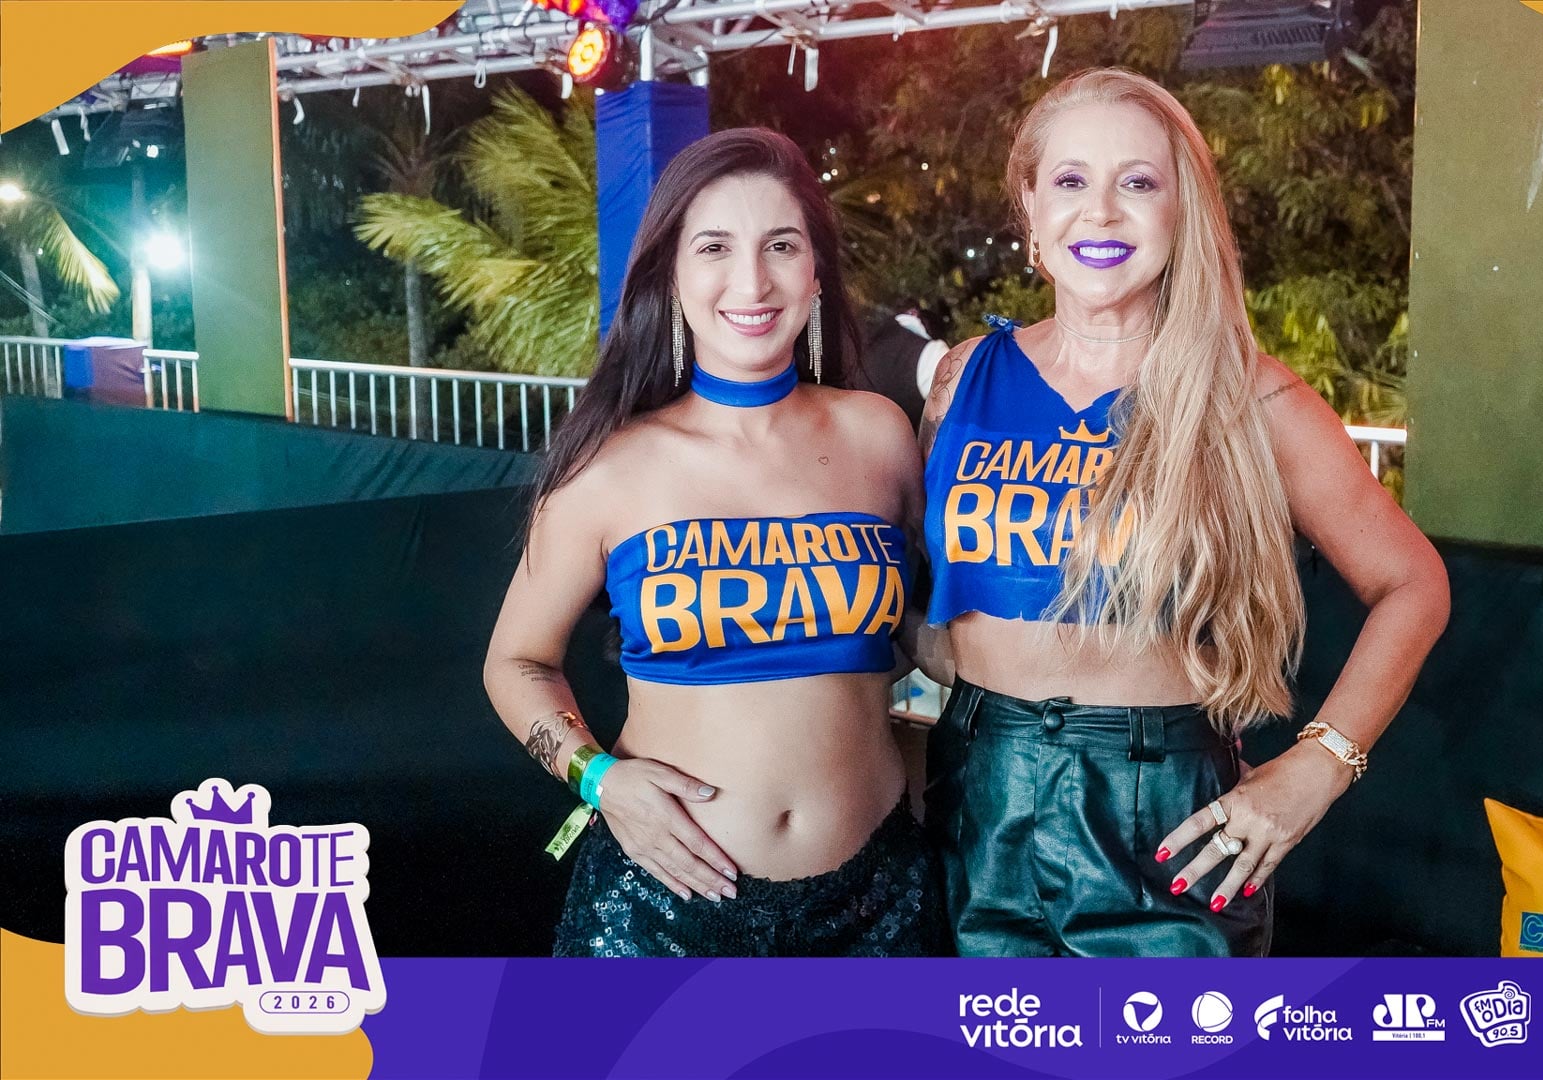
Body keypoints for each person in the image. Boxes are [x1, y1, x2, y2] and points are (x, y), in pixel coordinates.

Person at [917, 69, 1450, 957]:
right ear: (1031, 206)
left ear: (1182, 210)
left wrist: (1320, 765)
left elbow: (1413, 585)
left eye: (1138, 182)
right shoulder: (962, 376)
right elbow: (912, 588)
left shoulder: (1249, 396)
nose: (1100, 211)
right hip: (979, 786)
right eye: (1071, 180)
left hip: (1161, 810)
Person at [484, 127, 946, 957]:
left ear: (815, 272)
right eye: (715, 247)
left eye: (781, 245)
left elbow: (927, 624)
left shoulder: (879, 436)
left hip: (880, 900)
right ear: (672, 272)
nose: (752, 280)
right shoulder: (608, 467)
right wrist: (599, 780)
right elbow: (515, 662)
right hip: (661, 912)